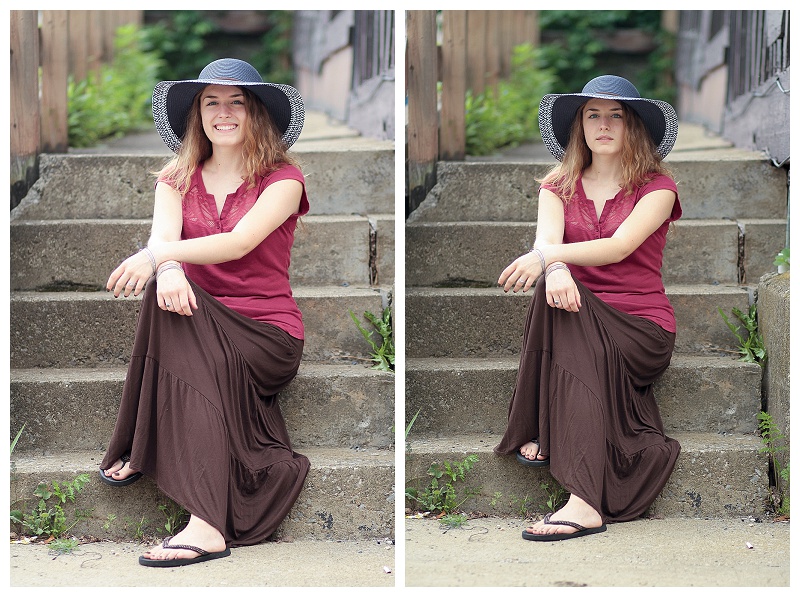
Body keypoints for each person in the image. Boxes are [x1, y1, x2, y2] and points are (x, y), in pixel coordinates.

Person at [98, 58, 310, 566]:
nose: (223, 112)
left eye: (236, 101)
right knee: (164, 295)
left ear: (255, 112)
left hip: (265, 333)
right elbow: (163, 239)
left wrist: (159, 259)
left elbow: (238, 243)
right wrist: (166, 267)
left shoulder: (283, 179)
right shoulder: (176, 177)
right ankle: (203, 520)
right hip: (197, 321)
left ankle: (202, 520)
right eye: (211, 102)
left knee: (169, 298)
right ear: (197, 115)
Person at [494, 75, 682, 541]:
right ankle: (558, 439)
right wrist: (553, 266)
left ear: (632, 125)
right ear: (579, 126)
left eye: (615, 115)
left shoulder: (657, 187)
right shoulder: (557, 185)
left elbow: (618, 247)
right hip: (578, 316)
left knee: (561, 298)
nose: (603, 124)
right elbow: (547, 243)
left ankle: (583, 501)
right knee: (554, 294)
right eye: (592, 115)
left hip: (640, 328)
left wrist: (549, 260)